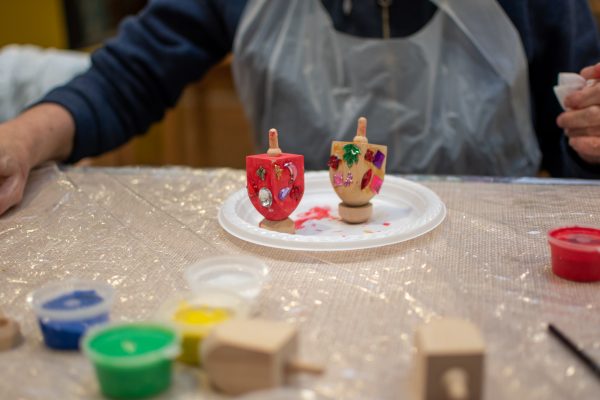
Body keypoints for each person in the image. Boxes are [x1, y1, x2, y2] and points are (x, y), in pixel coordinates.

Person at [1, 0, 600, 216]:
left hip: (486, 256)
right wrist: (21, 140)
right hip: (300, 247)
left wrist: (590, 141)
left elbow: (577, 141)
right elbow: (127, 77)